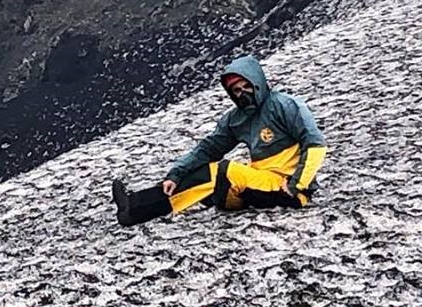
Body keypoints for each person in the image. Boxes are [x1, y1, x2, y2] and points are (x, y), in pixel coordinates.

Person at [112, 55, 327, 227]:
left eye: (246, 86)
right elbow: (208, 148)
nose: (243, 93)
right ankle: (139, 203)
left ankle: (134, 210)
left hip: (287, 189)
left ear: (258, 83)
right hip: (260, 184)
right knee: (208, 174)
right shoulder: (237, 119)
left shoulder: (284, 105)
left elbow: (315, 144)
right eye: (236, 90)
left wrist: (296, 185)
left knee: (224, 172)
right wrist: (176, 174)